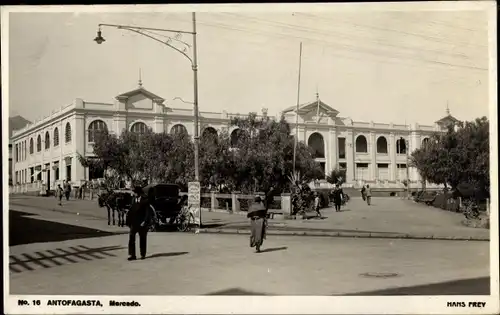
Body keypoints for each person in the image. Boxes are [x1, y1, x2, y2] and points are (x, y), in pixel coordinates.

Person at [126, 186, 152, 261]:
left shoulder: (145, 200)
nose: (134, 194)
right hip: (134, 222)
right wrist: (128, 221)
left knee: (142, 239)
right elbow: (131, 210)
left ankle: (142, 254)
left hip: (142, 223)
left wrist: (145, 221)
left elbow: (148, 212)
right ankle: (132, 254)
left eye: (135, 192)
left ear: (138, 193)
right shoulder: (133, 199)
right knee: (131, 238)